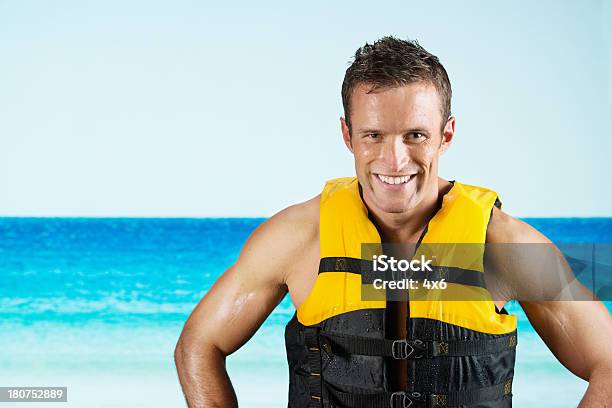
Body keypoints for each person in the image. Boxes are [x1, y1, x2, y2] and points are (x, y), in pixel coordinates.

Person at [174, 36, 612, 407]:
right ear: (348, 135)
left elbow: (608, 365)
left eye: (415, 135)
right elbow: (199, 345)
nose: (394, 159)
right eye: (374, 135)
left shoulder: (504, 245)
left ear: (447, 134)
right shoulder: (298, 237)